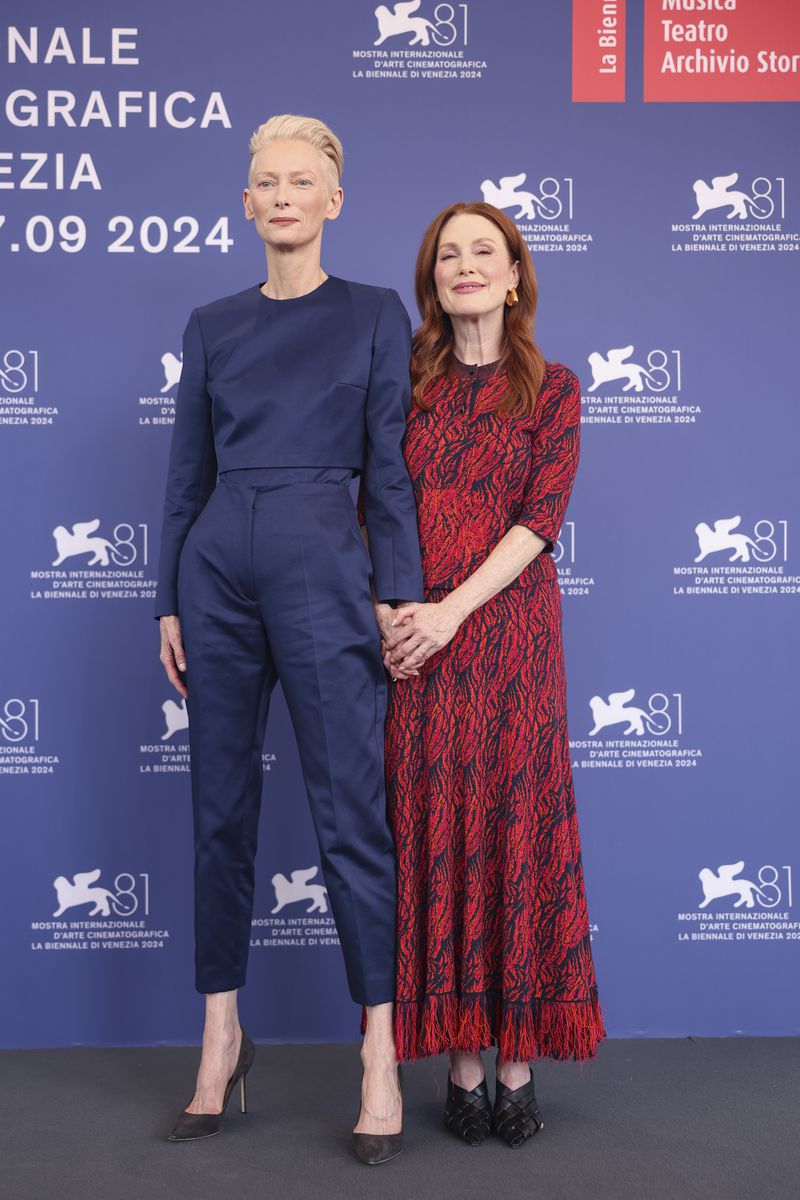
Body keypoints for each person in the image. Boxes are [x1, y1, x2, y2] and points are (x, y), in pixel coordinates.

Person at [154, 113, 423, 1164]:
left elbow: (388, 471)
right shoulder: (211, 323)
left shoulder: (371, 315)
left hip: (323, 564)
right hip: (215, 567)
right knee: (218, 809)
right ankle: (220, 1035)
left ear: (332, 200)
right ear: (246, 201)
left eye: (299, 180)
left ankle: (377, 1050)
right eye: (264, 180)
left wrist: (396, 594)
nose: (280, 195)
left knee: (349, 812)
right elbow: (185, 476)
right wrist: (164, 599)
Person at [380, 200, 605, 1148]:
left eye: (486, 252)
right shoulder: (400, 392)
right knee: (437, 834)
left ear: (516, 276)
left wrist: (447, 613)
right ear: (432, 280)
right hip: (414, 651)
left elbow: (537, 520)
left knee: (513, 833)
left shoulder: (554, 388)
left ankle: (516, 1063)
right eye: (448, 256)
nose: (466, 266)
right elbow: (371, 512)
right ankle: (460, 1061)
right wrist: (394, 615)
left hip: (506, 641)